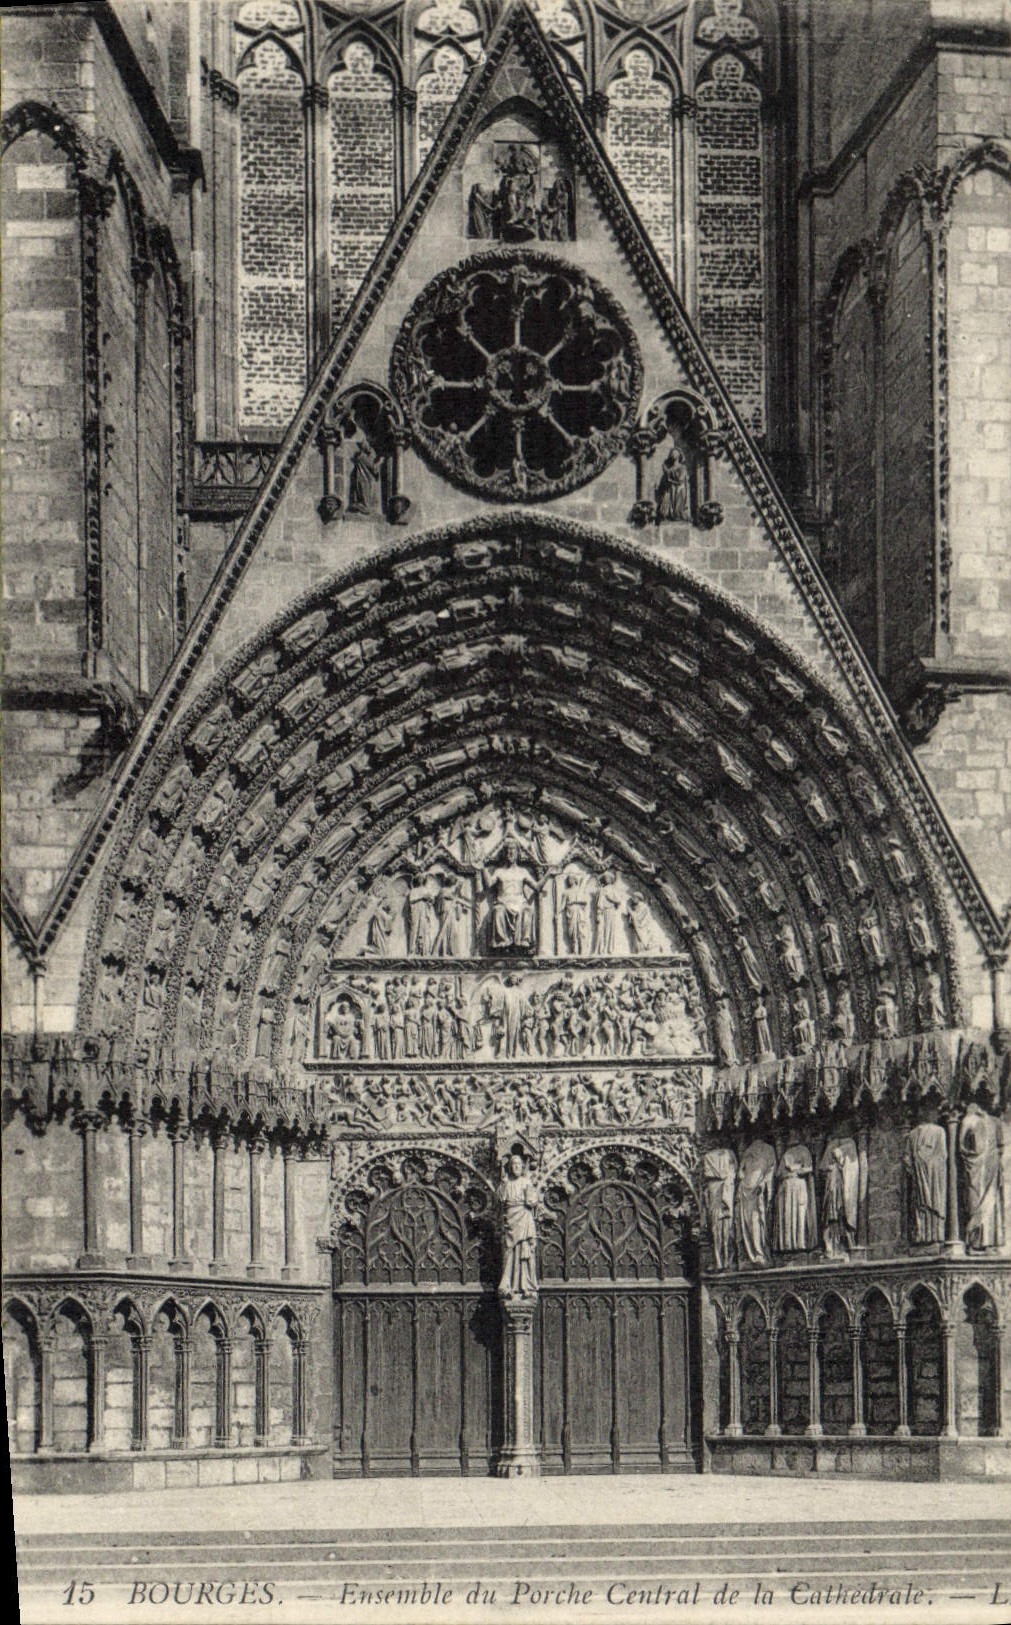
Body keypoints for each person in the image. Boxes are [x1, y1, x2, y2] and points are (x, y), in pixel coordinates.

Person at [497, 1151, 538, 1298]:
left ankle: (525, 1285)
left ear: (522, 1167)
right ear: (509, 1167)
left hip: (524, 1216)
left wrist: (531, 1199)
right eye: (513, 1165)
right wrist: (502, 1182)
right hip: (511, 1220)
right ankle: (508, 1285)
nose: (516, 1167)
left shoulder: (526, 1182)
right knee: (510, 1252)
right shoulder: (507, 1183)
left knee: (525, 1251)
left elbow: (532, 1200)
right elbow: (501, 1199)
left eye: (519, 1165)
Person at [654, 443, 691, 522]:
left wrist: (667, 472)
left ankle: (678, 515)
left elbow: (680, 478)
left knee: (678, 509)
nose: (673, 454)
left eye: (675, 453)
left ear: (679, 456)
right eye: (672, 453)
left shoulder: (682, 467)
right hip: (669, 490)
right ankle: (667, 515)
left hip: (679, 490)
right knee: (665, 507)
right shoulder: (669, 468)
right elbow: (665, 481)